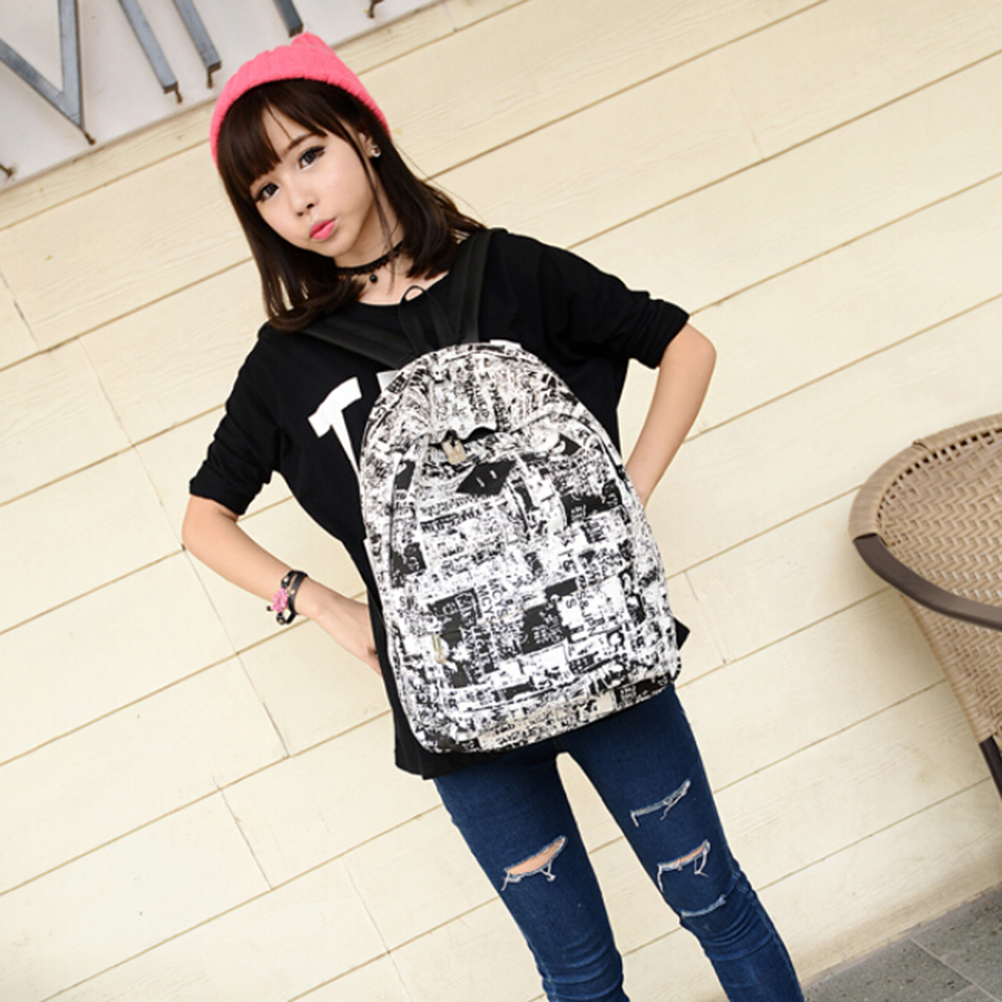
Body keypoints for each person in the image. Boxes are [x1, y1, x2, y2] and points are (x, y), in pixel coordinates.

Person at [182, 32, 804, 1002]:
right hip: (452, 711)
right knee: (579, 975)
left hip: (601, 652)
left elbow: (683, 345)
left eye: (308, 155)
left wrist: (622, 498)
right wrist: (327, 607)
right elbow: (204, 520)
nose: (296, 198)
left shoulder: (508, 272)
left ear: (365, 134)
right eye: (265, 188)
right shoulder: (286, 364)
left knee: (713, 901)